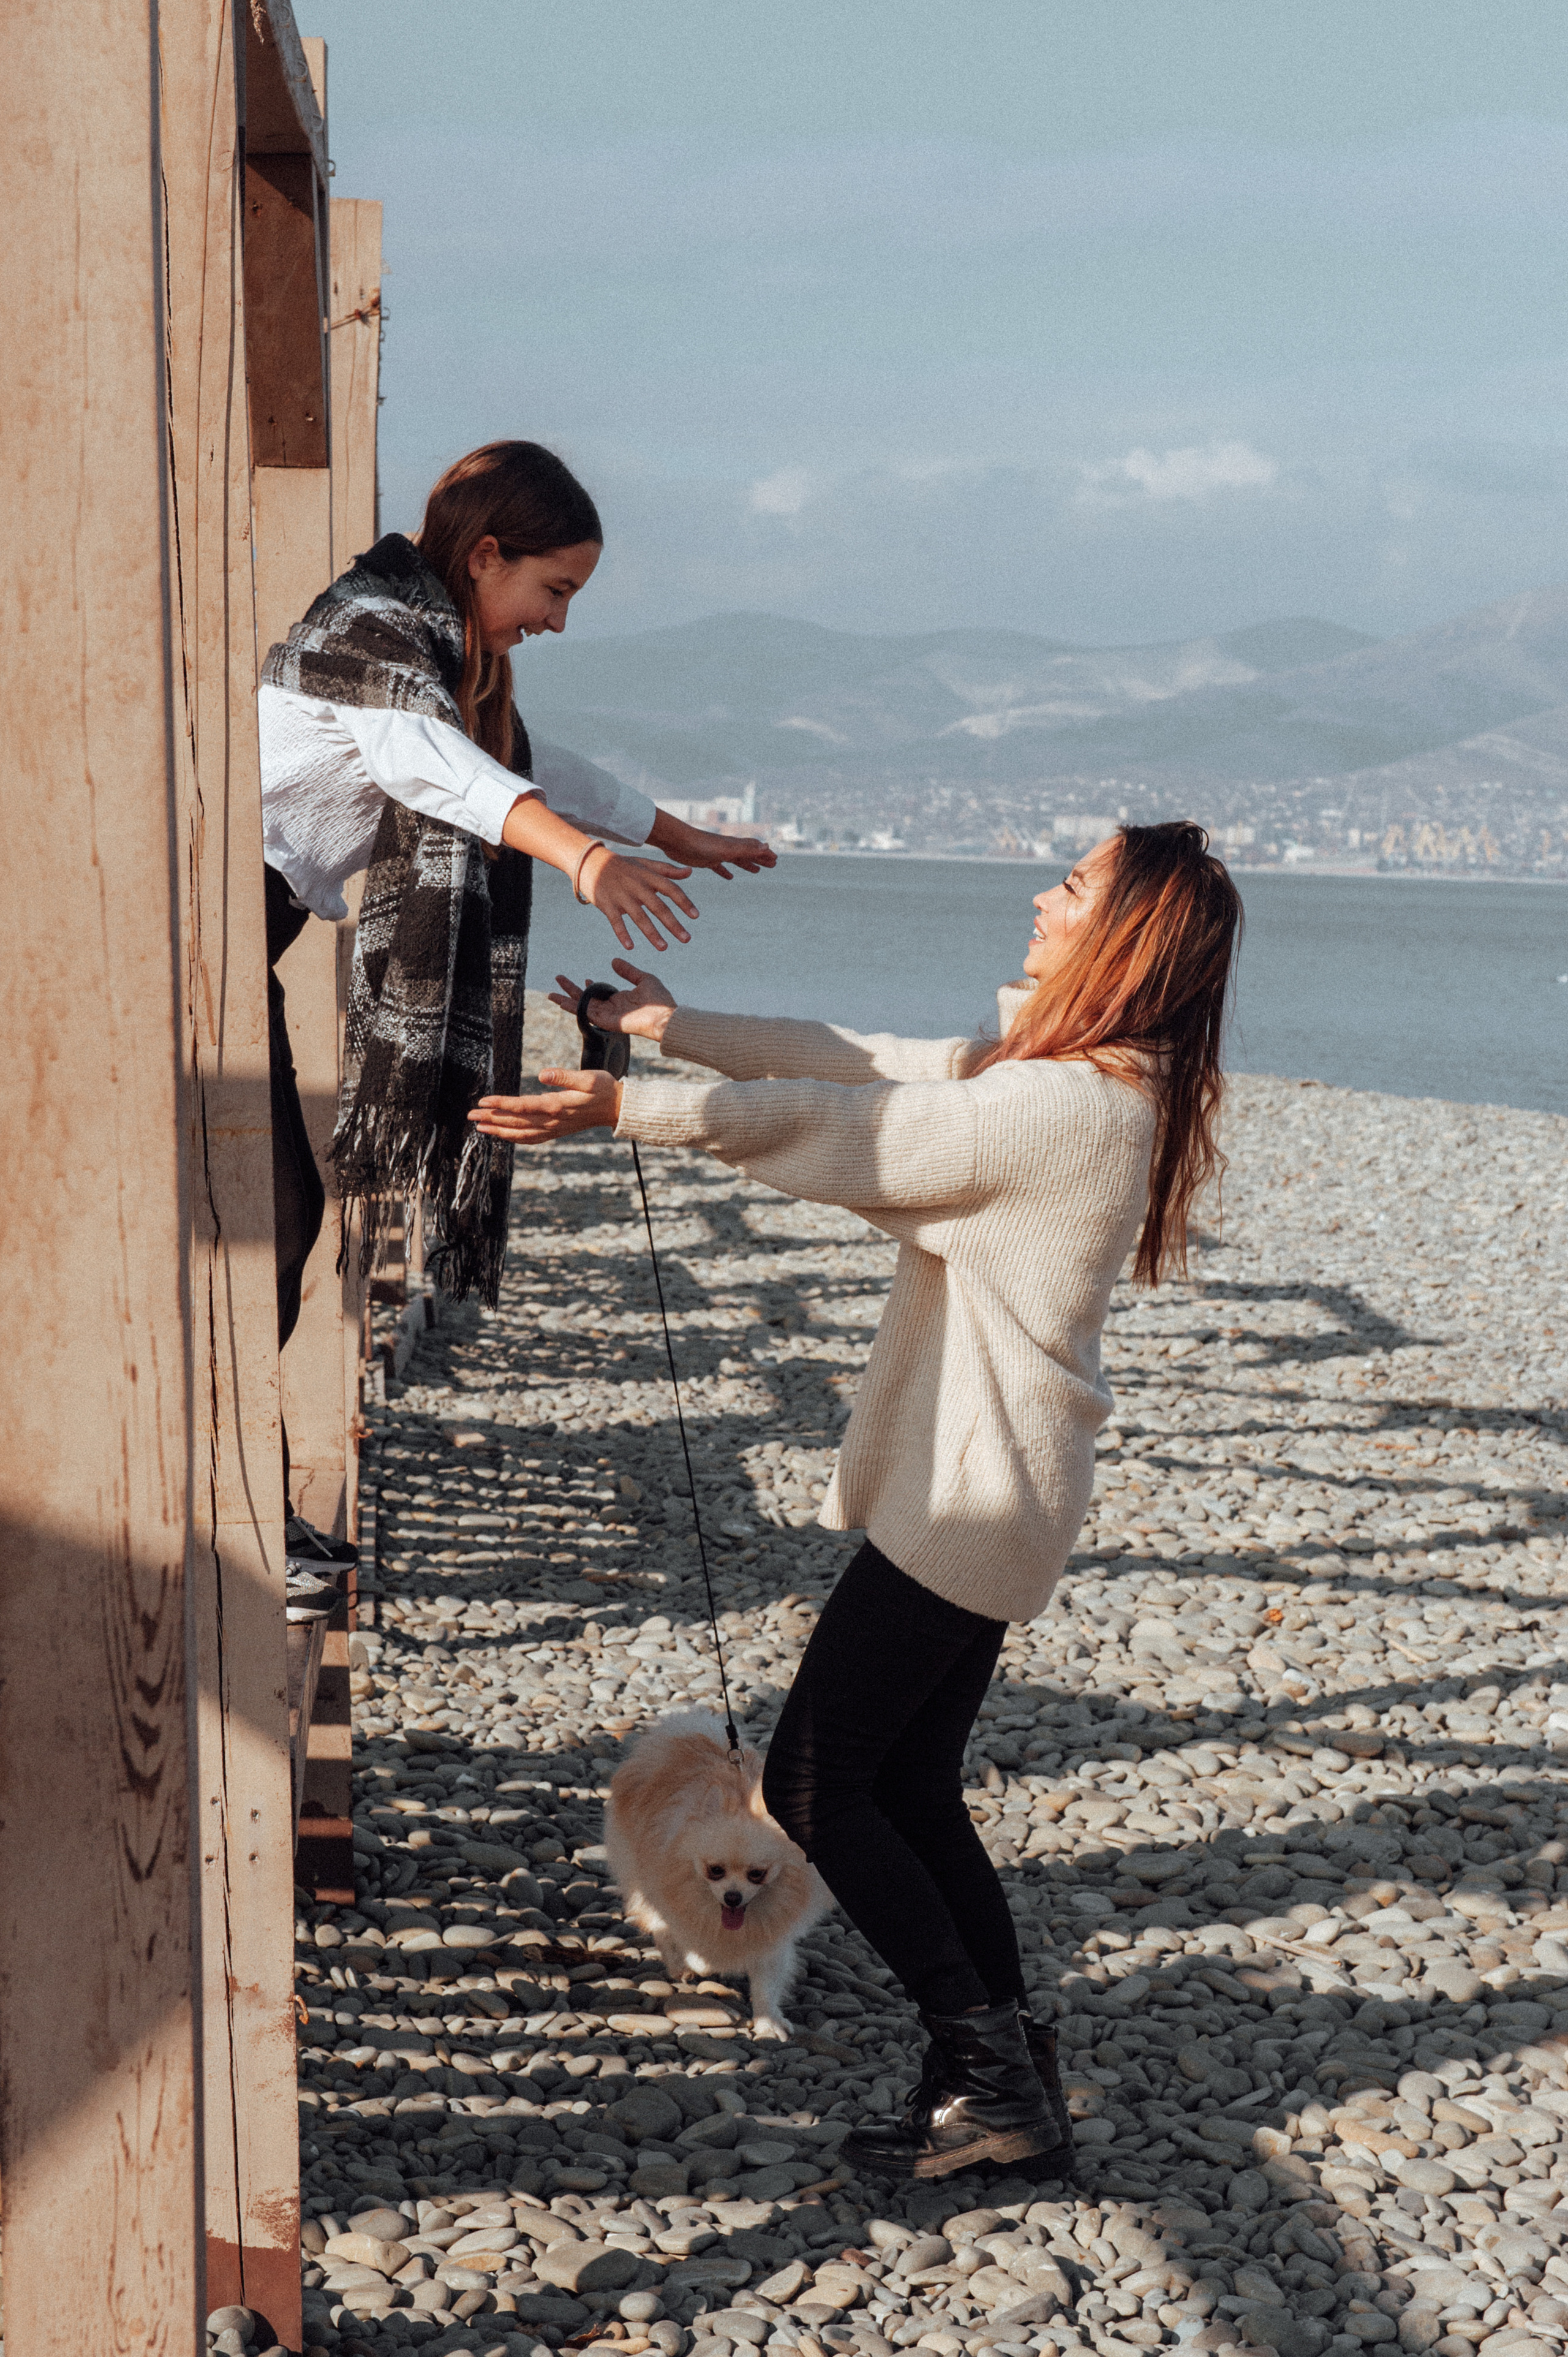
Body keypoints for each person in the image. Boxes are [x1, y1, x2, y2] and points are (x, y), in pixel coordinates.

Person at [470, 820, 1243, 2181]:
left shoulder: (1058, 1105)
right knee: (910, 1787)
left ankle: (990, 2073)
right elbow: (870, 1064)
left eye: (1068, 888)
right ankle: (999, 2079)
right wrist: (664, 1028)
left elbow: (864, 1134)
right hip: (986, 1486)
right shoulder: (1063, 1078)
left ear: (1123, 937)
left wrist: (629, 1107)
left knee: (823, 1791)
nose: (1037, 895)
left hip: (975, 1489)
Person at [258, 437, 775, 1576]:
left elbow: (516, 757)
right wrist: (587, 864)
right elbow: (436, 767)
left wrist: (671, 834)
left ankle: (234, 1507)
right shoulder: (373, 633)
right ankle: (229, 1516)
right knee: (271, 1229)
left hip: (244, 936)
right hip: (203, 934)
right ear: (487, 555)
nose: (559, 619)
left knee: (272, 1232)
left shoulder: (431, 651)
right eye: (555, 589)